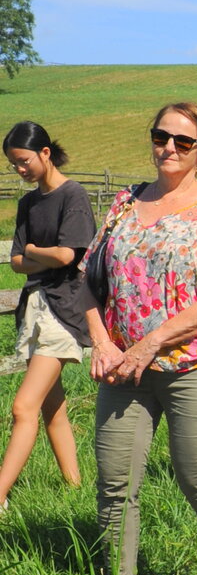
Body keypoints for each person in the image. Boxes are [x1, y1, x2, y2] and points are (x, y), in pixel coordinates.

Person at [82, 104, 197, 575]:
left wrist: (151, 341)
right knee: (114, 482)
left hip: (196, 365)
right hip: (124, 368)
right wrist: (102, 342)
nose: (170, 148)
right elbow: (90, 281)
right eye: (162, 136)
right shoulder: (123, 203)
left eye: (185, 141)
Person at [1, 123, 95, 511]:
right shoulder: (28, 204)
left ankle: (0, 493)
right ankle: (75, 489)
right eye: (13, 165)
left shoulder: (73, 195)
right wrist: (45, 251)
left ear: (45, 153)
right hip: (36, 308)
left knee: (22, 407)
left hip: (65, 308)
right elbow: (16, 262)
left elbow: (69, 256)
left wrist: (38, 252)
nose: (19, 170)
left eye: (23, 161)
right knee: (50, 407)